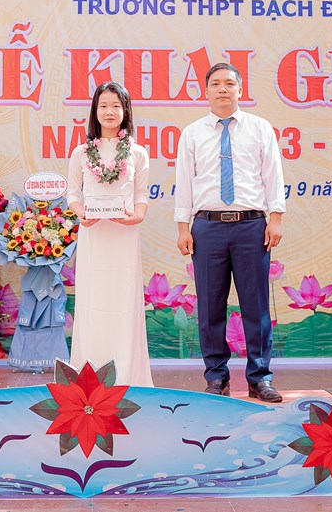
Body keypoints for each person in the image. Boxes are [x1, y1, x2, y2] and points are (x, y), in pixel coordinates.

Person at [174, 62, 285, 402]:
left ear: (240, 90)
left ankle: (259, 377)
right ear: (205, 91)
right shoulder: (192, 133)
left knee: (256, 305)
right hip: (207, 227)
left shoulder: (260, 128)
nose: (222, 89)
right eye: (216, 84)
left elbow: (273, 175)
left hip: (251, 226)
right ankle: (216, 377)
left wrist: (276, 218)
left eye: (229, 83)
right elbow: (184, 182)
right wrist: (183, 227)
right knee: (210, 308)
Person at [66, 81, 153, 386]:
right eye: (103, 105)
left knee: (124, 303)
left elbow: (141, 194)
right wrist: (81, 212)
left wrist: (137, 215)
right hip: (94, 236)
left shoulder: (137, 153)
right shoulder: (81, 152)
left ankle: (128, 376)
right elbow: (72, 193)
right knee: (93, 303)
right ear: (95, 110)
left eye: (116, 105)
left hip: (124, 236)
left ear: (126, 110)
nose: (110, 111)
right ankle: (89, 378)